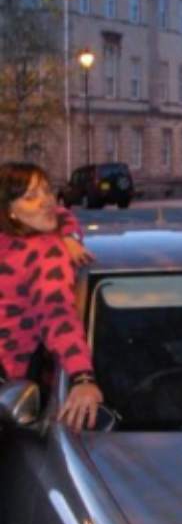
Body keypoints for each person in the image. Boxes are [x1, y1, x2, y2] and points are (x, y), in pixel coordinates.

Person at [0, 161, 103, 431]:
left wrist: (81, 376)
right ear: (9, 211)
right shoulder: (9, 241)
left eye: (47, 191)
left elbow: (58, 314)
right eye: (31, 196)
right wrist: (69, 234)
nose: (46, 201)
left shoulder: (46, 252)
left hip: (10, 380)